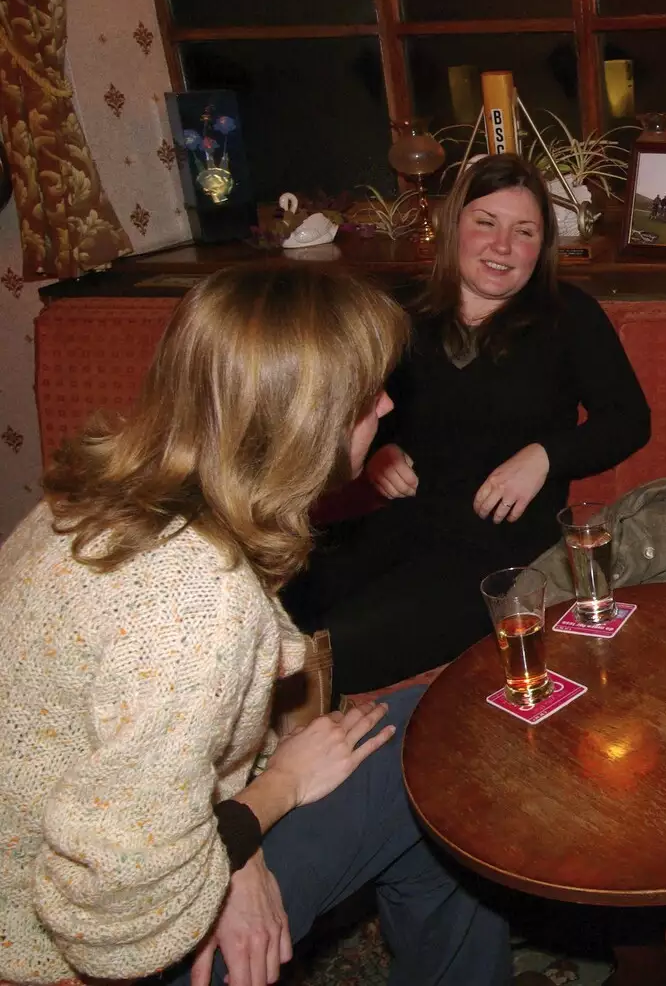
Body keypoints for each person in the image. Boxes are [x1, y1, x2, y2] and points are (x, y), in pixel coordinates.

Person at [0, 266, 511, 985]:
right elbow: (115, 916)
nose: (388, 404)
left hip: (88, 851)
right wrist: (268, 804)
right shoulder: (196, 603)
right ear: (306, 422)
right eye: (366, 398)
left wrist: (245, 844)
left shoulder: (101, 497)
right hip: (70, 954)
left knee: (411, 732)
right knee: (438, 745)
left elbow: (161, 750)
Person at [282, 154, 651, 697]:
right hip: (397, 521)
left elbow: (629, 420)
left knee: (344, 645)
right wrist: (379, 453)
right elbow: (339, 407)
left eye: (523, 232)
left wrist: (546, 455)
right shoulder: (395, 312)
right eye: (485, 223)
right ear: (454, 226)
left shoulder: (567, 315)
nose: (502, 246)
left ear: (541, 246)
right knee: (278, 606)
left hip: (500, 547)